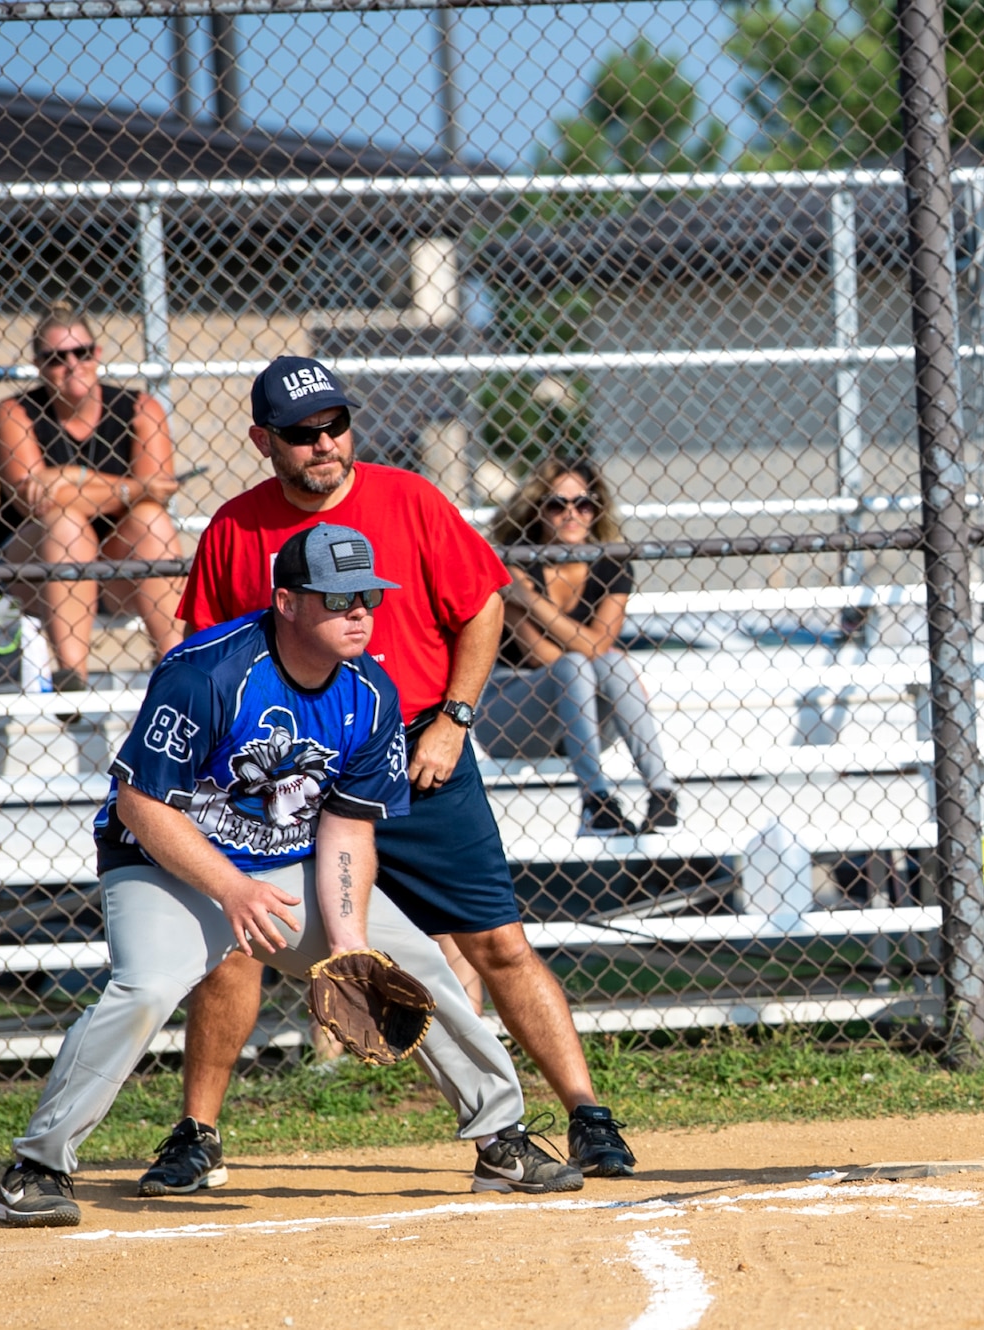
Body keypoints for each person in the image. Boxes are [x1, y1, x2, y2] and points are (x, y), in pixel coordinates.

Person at [0, 525, 584, 1228]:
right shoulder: (208, 673)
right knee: (146, 987)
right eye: (337, 599)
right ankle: (36, 1168)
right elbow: (141, 803)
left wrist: (350, 939)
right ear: (288, 602)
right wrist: (229, 889)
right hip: (163, 862)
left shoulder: (371, 691)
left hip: (279, 863)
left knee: (412, 960)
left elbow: (347, 824)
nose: (360, 610)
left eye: (367, 594)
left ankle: (500, 1140)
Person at [164, 356, 636, 1195]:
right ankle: (198, 1133)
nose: (324, 444)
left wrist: (455, 719)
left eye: (335, 425)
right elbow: (203, 655)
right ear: (263, 441)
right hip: (295, 772)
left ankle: (588, 1114)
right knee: (237, 947)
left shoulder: (409, 500)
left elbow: (484, 603)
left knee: (496, 943)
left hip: (420, 753)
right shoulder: (237, 531)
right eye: (302, 433)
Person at [0, 304, 186, 689]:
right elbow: (33, 502)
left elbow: (157, 493)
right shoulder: (16, 413)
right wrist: (129, 489)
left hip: (113, 569)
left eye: (82, 352)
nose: (72, 364)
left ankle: (175, 667)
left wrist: (68, 478)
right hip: (32, 569)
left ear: (97, 354)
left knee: (149, 520)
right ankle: (71, 675)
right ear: (39, 365)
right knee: (65, 524)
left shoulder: (140, 408)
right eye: (56, 358)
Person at [478, 460, 679, 837]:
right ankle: (595, 802)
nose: (572, 513)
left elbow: (599, 644)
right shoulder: (512, 563)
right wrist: (521, 595)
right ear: (539, 508)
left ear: (597, 508)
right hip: (512, 715)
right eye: (558, 504)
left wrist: (531, 600)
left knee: (612, 662)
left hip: (585, 719)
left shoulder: (612, 563)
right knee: (581, 662)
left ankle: (663, 794)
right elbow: (541, 655)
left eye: (584, 504)